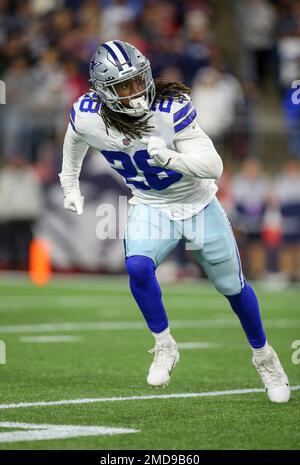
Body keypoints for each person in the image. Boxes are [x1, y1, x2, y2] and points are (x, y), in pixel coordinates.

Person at [59, 40, 290, 403]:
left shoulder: (170, 108)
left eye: (138, 81)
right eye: (124, 86)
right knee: (137, 266)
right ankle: (164, 345)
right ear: (104, 92)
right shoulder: (88, 114)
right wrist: (68, 183)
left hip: (198, 203)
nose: (135, 92)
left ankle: (265, 357)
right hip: (151, 205)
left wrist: (172, 159)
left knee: (232, 288)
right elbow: (74, 140)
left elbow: (214, 167)